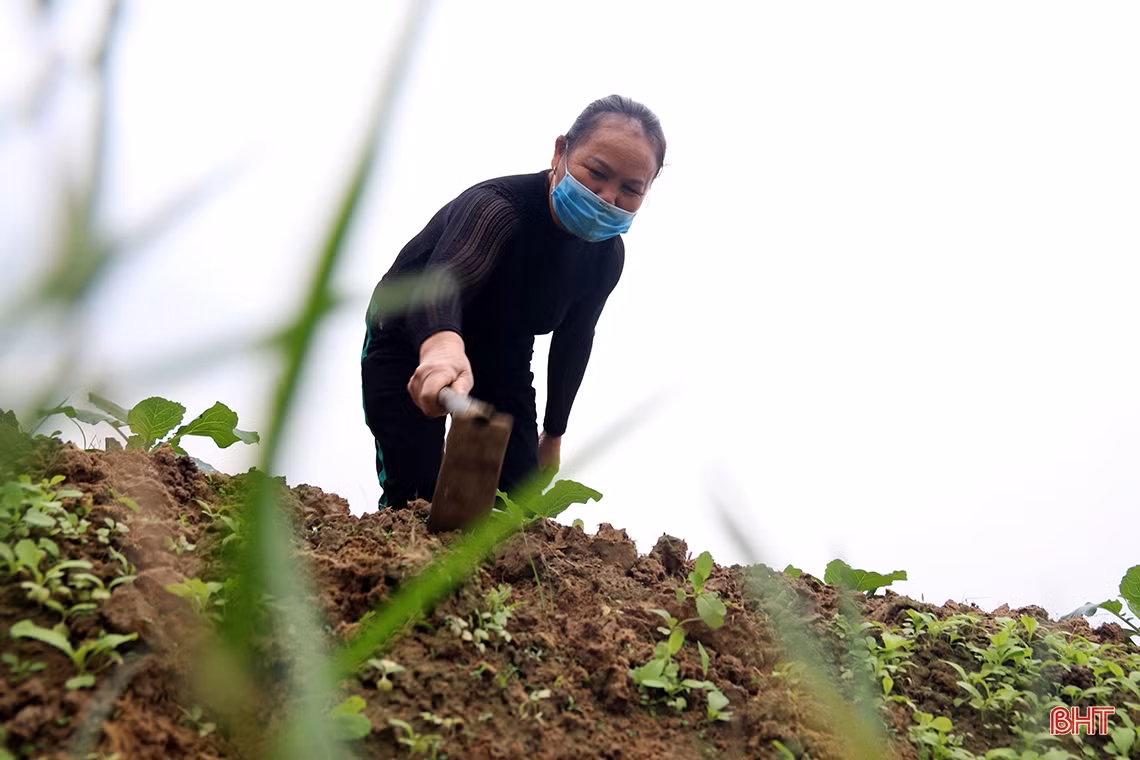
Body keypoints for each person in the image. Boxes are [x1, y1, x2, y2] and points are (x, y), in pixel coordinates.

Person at [360, 94, 666, 509]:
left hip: (502, 353)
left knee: (513, 501)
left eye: (630, 189)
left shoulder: (606, 258)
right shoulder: (497, 208)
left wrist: (553, 433)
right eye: (597, 172)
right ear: (560, 151)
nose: (606, 198)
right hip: (410, 334)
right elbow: (442, 284)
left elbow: (575, 338)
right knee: (415, 496)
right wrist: (441, 347)